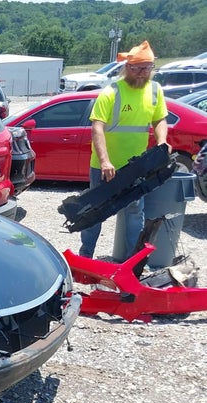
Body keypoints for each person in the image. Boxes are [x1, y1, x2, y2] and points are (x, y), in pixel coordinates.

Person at [79, 40, 168, 259]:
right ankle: (84, 257)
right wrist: (105, 161)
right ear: (127, 67)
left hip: (136, 167)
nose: (141, 73)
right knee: (94, 214)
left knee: (134, 214)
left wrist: (162, 141)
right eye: (136, 68)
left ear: (152, 68)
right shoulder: (111, 92)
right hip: (104, 167)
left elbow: (159, 120)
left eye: (146, 68)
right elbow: (97, 127)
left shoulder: (155, 91)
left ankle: (131, 263)